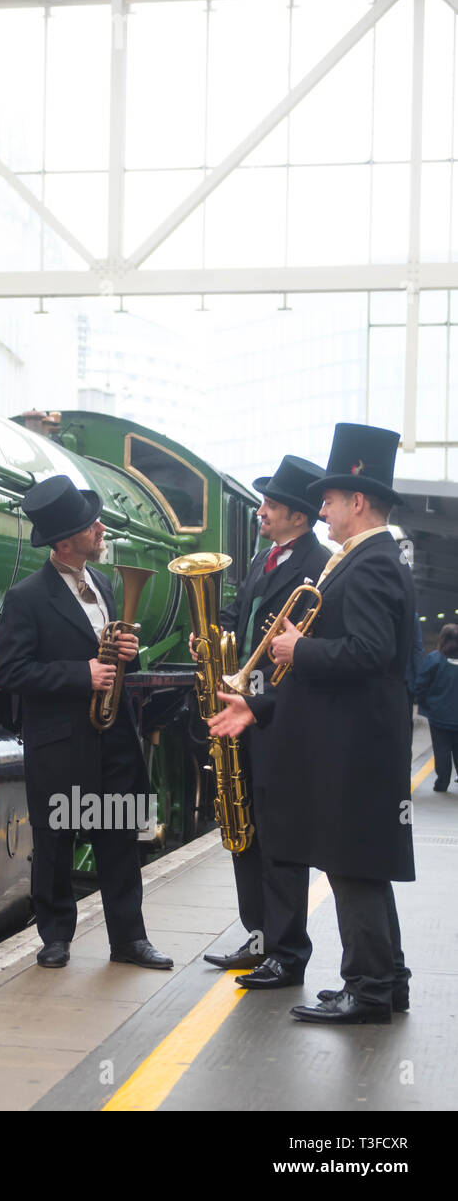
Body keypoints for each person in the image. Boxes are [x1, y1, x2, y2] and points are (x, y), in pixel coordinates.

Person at [210, 423, 415, 1024]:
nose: (320, 510)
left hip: (355, 747)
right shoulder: (364, 558)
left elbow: (371, 652)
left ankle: (370, 989)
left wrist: (298, 650)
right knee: (362, 865)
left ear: (357, 501)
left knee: (353, 866)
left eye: (327, 500)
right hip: (348, 741)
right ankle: (385, 980)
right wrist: (259, 703)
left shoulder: (372, 563)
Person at [0, 474, 172, 971]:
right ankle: (55, 938)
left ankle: (130, 940)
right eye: (88, 525)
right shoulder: (26, 597)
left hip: (113, 735)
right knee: (56, 840)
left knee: (118, 836)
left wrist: (128, 656)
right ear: (65, 540)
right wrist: (80, 674)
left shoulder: (106, 585)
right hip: (60, 740)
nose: (99, 529)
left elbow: (115, 661)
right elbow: (9, 671)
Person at [200, 455, 330, 991]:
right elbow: (240, 613)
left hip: (276, 713)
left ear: (298, 516)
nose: (262, 512)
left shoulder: (318, 564)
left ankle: (287, 951)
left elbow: (303, 648)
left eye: (271, 505)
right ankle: (258, 939)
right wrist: (212, 634)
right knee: (242, 825)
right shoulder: (264, 560)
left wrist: (259, 696)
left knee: (279, 837)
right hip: (240, 707)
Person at [418, 623, 458, 792]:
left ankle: (442, 783)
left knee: (441, 751)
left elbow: (421, 684)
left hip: (439, 716)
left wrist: (426, 705)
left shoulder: (435, 659)